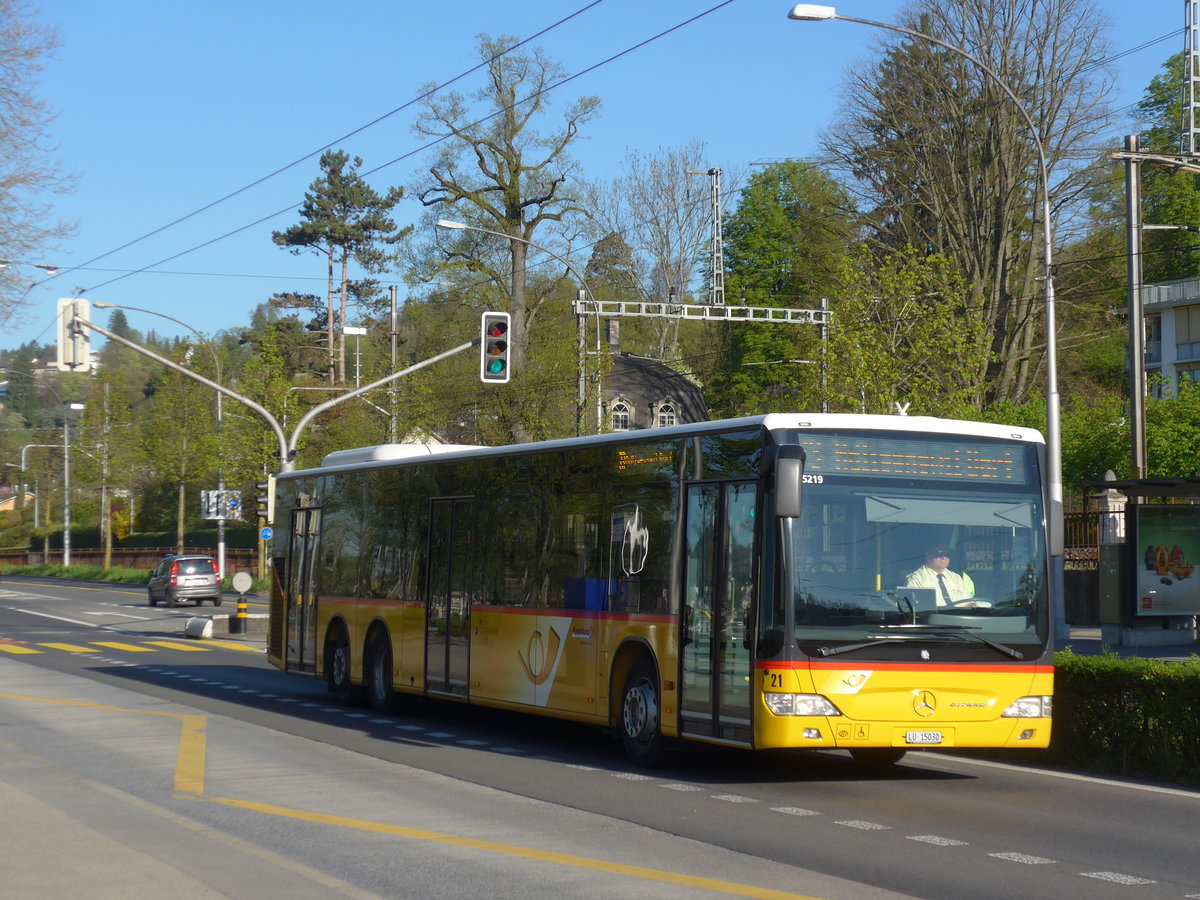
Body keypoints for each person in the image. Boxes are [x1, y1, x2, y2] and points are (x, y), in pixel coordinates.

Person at [905, 545, 979, 607]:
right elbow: (915, 610)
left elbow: (968, 603)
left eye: (947, 553)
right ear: (928, 556)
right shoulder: (916, 579)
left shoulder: (956, 578)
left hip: (960, 621)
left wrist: (972, 605)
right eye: (939, 553)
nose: (944, 557)